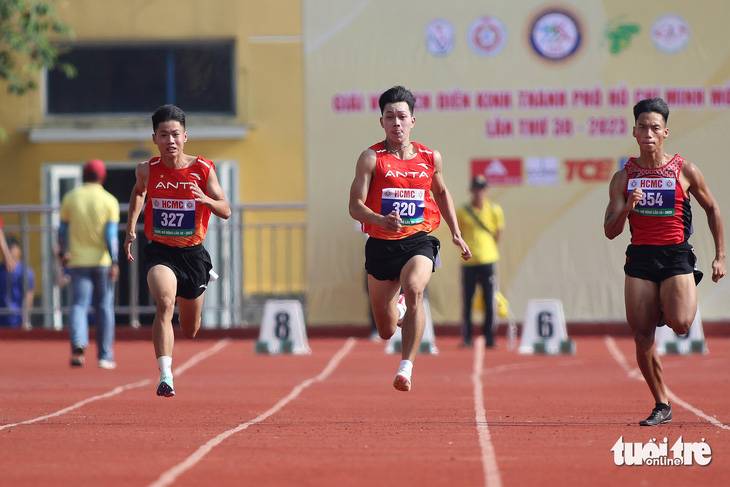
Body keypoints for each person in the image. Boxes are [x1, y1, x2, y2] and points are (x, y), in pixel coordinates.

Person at [604, 97, 725, 426]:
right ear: (634, 131)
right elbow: (610, 231)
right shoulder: (623, 177)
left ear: (665, 132)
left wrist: (720, 256)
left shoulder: (684, 170)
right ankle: (661, 403)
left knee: (682, 323)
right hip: (640, 257)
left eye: (654, 128)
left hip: (675, 256)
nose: (648, 133)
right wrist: (628, 206)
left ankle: (663, 305)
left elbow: (712, 208)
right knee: (641, 337)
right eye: (642, 127)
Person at [349, 86, 471, 392]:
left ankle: (406, 367)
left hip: (418, 240)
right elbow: (355, 207)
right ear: (382, 122)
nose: (396, 123)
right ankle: (400, 310)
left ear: (413, 121)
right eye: (390, 117)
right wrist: (380, 220)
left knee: (416, 288)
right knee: (387, 330)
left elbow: (441, 193)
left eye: (402, 116)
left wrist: (456, 233)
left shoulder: (431, 158)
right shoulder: (370, 158)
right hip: (380, 244)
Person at [124, 104, 231, 397]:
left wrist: (205, 200)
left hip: (192, 254)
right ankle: (166, 375)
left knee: (190, 329)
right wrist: (131, 227)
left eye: (175, 135)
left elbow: (226, 210)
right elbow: (138, 193)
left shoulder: (203, 169)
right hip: (160, 251)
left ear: (185, 137)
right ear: (155, 139)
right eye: (163, 135)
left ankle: (203, 277)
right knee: (165, 301)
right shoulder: (147, 169)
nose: (170, 141)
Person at [59, 159, 120, 369]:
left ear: (84, 175)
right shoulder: (109, 200)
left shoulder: (70, 198)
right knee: (104, 307)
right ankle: (105, 355)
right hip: (102, 261)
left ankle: (78, 343)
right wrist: (114, 260)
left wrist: (62, 253)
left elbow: (62, 231)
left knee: (78, 305)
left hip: (77, 260)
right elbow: (111, 234)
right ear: (102, 177)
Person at [456, 175, 504, 348]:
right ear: (471, 190)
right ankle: (467, 337)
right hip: (469, 262)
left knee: (489, 300)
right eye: (476, 188)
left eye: (482, 188)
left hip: (488, 260)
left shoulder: (494, 210)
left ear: (487, 190)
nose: (479, 192)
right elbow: (458, 234)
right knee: (467, 301)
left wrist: (487, 248)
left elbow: (498, 233)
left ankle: (489, 337)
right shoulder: (462, 211)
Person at [0, 236, 35, 328]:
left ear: (19, 250)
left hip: (17, 319)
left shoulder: (25, 271)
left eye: (13, 248)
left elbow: (29, 295)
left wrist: (25, 319)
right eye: (8, 248)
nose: (10, 252)